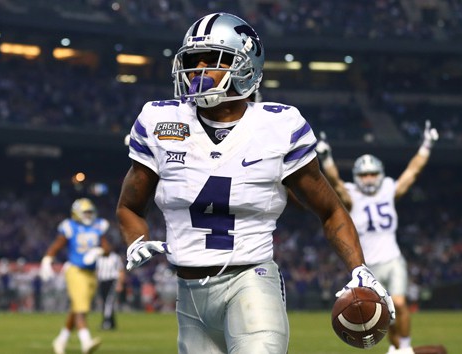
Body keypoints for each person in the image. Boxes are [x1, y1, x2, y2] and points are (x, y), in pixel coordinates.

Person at [116, 12, 395, 354]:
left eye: (213, 61)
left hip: (250, 281)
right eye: (192, 60)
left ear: (246, 67)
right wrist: (135, 239)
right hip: (188, 296)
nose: (198, 70)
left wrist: (359, 268)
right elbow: (129, 206)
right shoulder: (159, 121)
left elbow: (329, 209)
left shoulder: (279, 126)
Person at [315, 121, 439, 354]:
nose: (369, 178)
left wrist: (427, 145)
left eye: (373, 173)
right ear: (357, 176)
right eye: (364, 174)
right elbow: (335, 183)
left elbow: (413, 172)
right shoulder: (351, 195)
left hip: (392, 258)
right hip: (368, 266)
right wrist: (327, 158)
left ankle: (404, 348)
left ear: (380, 174)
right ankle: (395, 348)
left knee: (400, 304)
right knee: (386, 313)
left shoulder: (389, 189)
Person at [40, 198, 111, 354]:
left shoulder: (98, 225)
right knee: (80, 308)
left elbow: (107, 249)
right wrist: (47, 259)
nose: (88, 215)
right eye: (85, 212)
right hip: (75, 271)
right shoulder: (70, 227)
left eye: (90, 212)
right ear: (77, 213)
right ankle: (86, 342)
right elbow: (57, 244)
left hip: (92, 273)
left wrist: (97, 251)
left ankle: (60, 341)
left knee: (78, 308)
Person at [95, 250, 125, 330]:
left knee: (109, 302)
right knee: (104, 303)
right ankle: (112, 323)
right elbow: (96, 271)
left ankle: (106, 322)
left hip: (112, 281)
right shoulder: (99, 258)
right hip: (102, 281)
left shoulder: (115, 257)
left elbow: (121, 270)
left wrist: (120, 283)